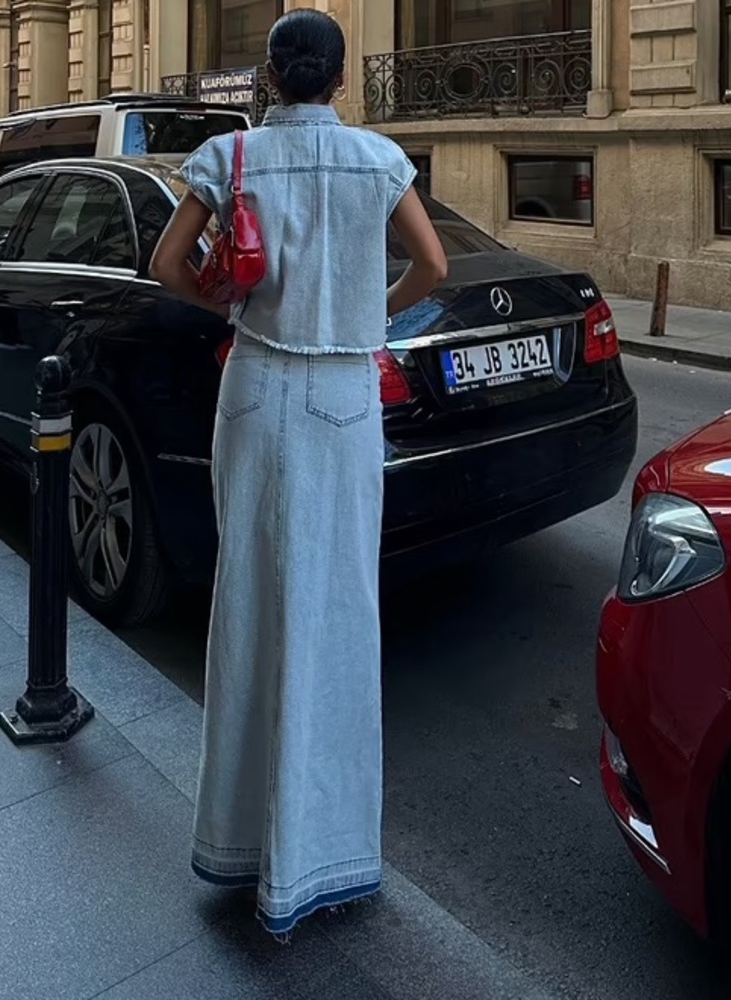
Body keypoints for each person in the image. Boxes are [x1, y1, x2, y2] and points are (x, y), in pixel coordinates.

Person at [149, 7, 447, 938]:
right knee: (339, 616)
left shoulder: (233, 160)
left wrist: (225, 304)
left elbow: (166, 263)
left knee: (248, 608)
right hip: (345, 399)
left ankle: (241, 844)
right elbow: (430, 266)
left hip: (258, 388)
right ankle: (327, 856)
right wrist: (370, 310)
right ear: (343, 79)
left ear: (272, 81)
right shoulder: (377, 159)